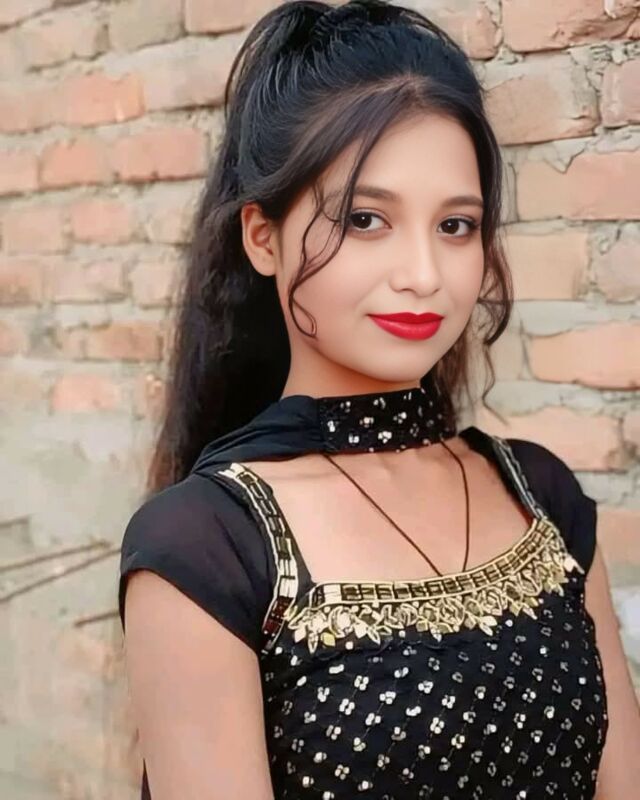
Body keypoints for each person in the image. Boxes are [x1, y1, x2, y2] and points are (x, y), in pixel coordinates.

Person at [117, 1, 640, 798]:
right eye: (366, 220)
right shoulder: (207, 546)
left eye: (456, 226)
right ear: (263, 237)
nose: (424, 275)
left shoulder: (542, 498)